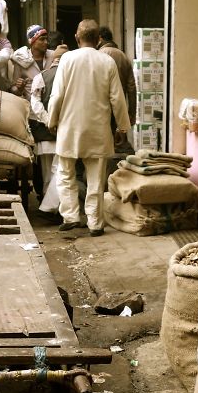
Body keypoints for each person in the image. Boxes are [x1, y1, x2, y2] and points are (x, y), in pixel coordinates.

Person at [46, 19, 131, 237]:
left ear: (76, 37)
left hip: (70, 127)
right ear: (98, 39)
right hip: (98, 129)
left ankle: (71, 216)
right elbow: (117, 99)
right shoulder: (107, 62)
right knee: (96, 179)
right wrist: (122, 127)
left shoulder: (67, 59)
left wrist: (52, 121)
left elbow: (57, 95)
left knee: (65, 174)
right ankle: (95, 223)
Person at [29, 31, 69, 219]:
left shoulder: (41, 77)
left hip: (45, 134)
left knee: (48, 173)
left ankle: (48, 206)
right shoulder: (71, 78)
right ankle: (54, 208)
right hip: (65, 132)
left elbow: (35, 104)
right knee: (60, 172)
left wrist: (47, 120)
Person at [97, 26, 137, 127]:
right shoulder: (123, 56)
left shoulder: (98, 56)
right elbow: (131, 88)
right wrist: (131, 113)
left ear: (100, 39)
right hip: (120, 109)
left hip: (101, 110)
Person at [10, 24, 58, 100]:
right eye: (42, 39)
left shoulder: (53, 55)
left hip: (51, 104)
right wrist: (19, 88)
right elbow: (14, 90)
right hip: (32, 107)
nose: (46, 42)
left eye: (46, 39)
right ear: (32, 41)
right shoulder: (22, 60)